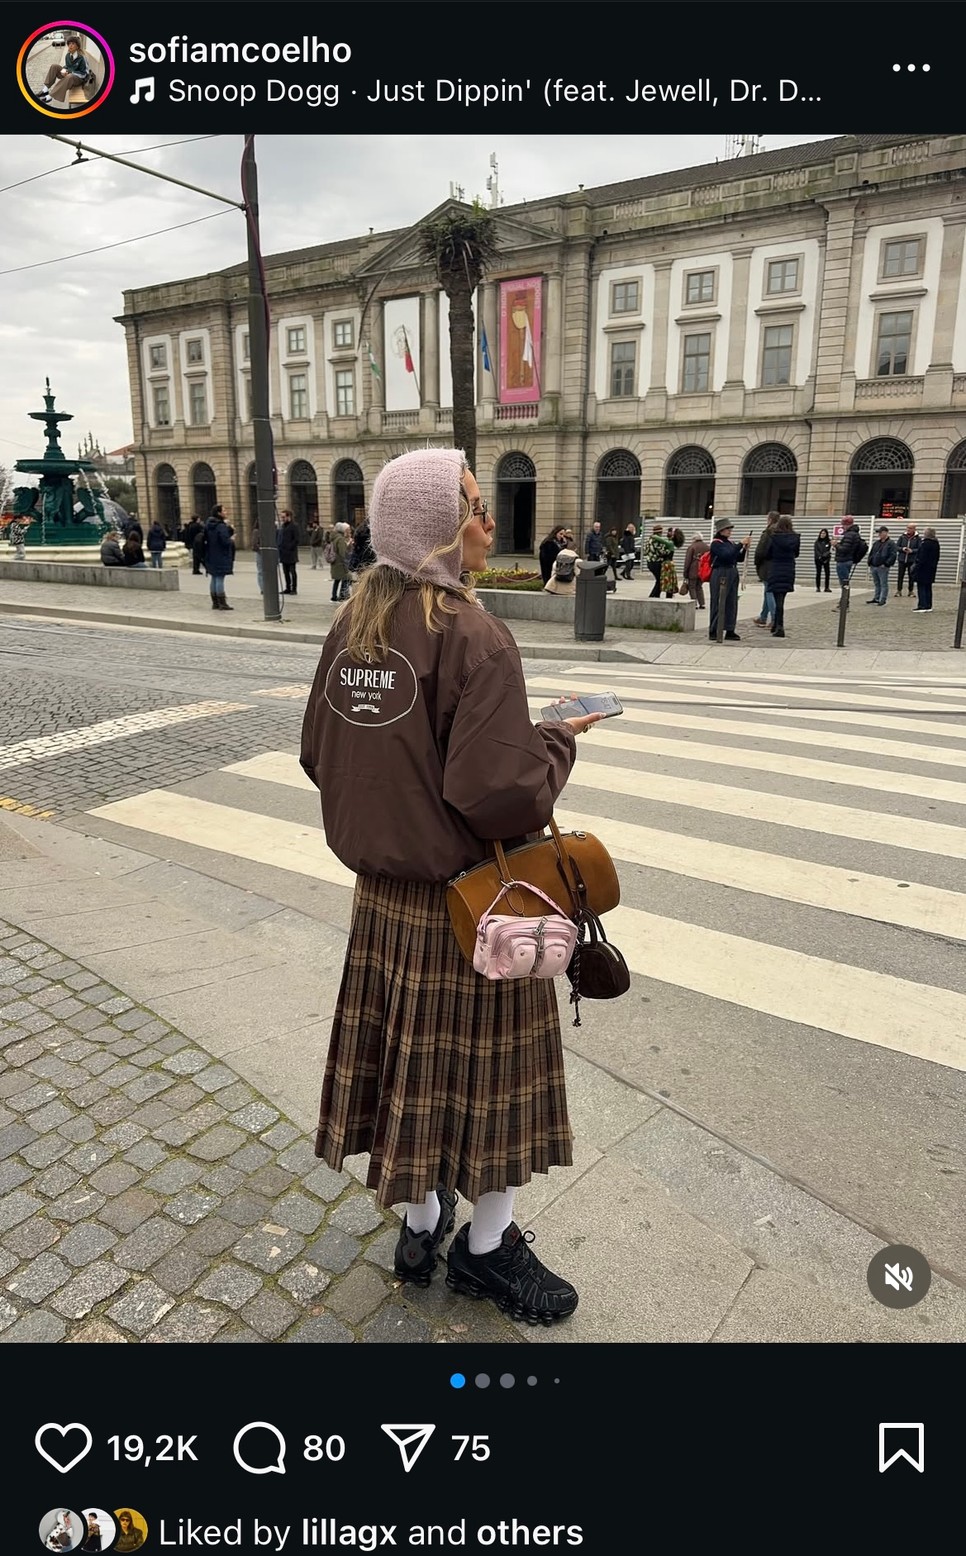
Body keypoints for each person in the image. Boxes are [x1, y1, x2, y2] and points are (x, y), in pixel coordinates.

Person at [299, 447, 604, 1323]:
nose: (486, 520)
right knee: (489, 1084)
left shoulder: (352, 624)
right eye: (472, 506)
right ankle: (485, 1248)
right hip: (471, 906)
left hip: (382, 907)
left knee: (409, 1073)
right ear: (435, 526)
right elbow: (497, 794)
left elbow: (319, 754)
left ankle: (420, 1226)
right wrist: (557, 740)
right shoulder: (475, 635)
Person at [708, 518, 750, 641]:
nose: (730, 531)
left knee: (731, 602)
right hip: (721, 572)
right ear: (721, 530)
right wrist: (740, 544)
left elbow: (737, 558)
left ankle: (730, 629)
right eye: (727, 529)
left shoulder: (730, 543)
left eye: (730, 529)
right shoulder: (716, 543)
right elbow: (726, 555)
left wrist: (744, 549)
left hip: (732, 571)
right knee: (718, 601)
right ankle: (714, 629)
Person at [758, 514, 800, 638]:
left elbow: (767, 553)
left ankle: (779, 626)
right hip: (789, 569)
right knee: (782, 598)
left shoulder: (774, 537)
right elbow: (796, 553)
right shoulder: (795, 538)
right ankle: (777, 624)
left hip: (776, 568)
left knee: (778, 599)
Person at [35, 37, 93, 105]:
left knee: (70, 76)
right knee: (54, 66)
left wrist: (70, 73)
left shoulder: (82, 57)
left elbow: (84, 73)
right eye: (69, 43)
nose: (70, 45)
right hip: (69, 76)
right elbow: (67, 66)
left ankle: (50, 96)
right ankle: (45, 90)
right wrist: (64, 70)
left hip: (78, 79)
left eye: (73, 44)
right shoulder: (68, 56)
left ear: (77, 46)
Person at [752, 512, 781, 628]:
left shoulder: (768, 533)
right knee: (768, 591)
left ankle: (774, 618)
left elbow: (760, 551)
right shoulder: (782, 533)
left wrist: (756, 562)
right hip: (778, 565)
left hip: (767, 566)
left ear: (769, 520)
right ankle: (763, 617)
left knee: (769, 591)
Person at [204, 504, 234, 610]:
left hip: (211, 554)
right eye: (224, 510)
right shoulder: (220, 526)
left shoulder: (209, 525)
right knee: (220, 578)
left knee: (214, 577)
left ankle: (215, 602)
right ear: (219, 513)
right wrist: (231, 540)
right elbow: (225, 541)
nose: (226, 512)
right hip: (221, 555)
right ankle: (222, 603)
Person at [833, 516, 867, 591]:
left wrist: (836, 545)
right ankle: (845, 596)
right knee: (845, 582)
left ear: (847, 524)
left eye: (843, 524)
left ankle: (844, 597)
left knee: (844, 582)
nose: (842, 526)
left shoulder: (849, 535)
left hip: (844, 560)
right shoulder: (854, 534)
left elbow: (844, 549)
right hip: (848, 559)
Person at [866, 525, 898, 606]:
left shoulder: (891, 543)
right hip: (874, 566)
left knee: (883, 583)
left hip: (883, 567)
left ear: (885, 532)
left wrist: (886, 564)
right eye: (879, 533)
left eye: (880, 532)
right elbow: (872, 553)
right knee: (877, 583)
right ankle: (876, 598)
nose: (879, 534)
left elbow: (893, 555)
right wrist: (870, 562)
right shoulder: (877, 543)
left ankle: (882, 599)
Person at [913, 527, 940, 613]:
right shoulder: (936, 543)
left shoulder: (925, 544)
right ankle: (928, 605)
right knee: (928, 587)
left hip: (923, 569)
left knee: (921, 587)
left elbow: (921, 557)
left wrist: (916, 566)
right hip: (931, 569)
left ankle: (922, 605)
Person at [643, 523, 673, 598]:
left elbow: (645, 552)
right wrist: (669, 551)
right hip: (656, 562)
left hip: (649, 562)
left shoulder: (649, 539)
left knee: (659, 580)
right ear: (659, 532)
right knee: (660, 580)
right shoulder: (657, 540)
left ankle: (656, 596)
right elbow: (660, 552)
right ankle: (653, 596)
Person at [682, 531, 709, 609]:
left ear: (694, 539)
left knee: (692, 586)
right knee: (699, 586)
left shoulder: (692, 547)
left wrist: (685, 573)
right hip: (703, 570)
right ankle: (702, 603)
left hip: (693, 570)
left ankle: (694, 603)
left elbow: (688, 561)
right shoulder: (707, 547)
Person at [896, 523, 921, 598]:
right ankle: (899, 590)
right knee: (900, 576)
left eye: (910, 528)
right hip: (902, 559)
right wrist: (902, 549)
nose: (908, 529)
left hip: (912, 560)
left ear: (914, 529)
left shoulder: (918, 538)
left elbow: (920, 549)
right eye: (907, 528)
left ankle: (910, 591)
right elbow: (897, 546)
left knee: (911, 576)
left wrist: (912, 551)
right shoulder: (902, 537)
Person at [329, 521, 351, 601]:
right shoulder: (340, 539)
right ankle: (343, 595)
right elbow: (342, 552)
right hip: (340, 563)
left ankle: (334, 596)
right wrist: (347, 546)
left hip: (335, 562)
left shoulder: (334, 537)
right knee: (345, 578)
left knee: (337, 580)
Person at [278, 511, 299, 595]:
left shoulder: (294, 526)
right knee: (285, 572)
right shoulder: (282, 526)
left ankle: (294, 588)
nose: (282, 519)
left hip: (291, 553)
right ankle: (288, 587)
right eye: (281, 517)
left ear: (288, 517)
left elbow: (296, 539)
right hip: (283, 553)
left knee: (292, 572)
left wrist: (290, 547)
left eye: (283, 517)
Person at [814, 527, 832, 592]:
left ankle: (826, 587)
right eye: (821, 533)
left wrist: (826, 556)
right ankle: (818, 587)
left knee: (827, 573)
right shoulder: (817, 542)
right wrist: (820, 557)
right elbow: (816, 550)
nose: (822, 534)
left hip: (826, 559)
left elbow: (829, 550)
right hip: (818, 559)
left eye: (824, 533)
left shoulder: (828, 542)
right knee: (818, 573)